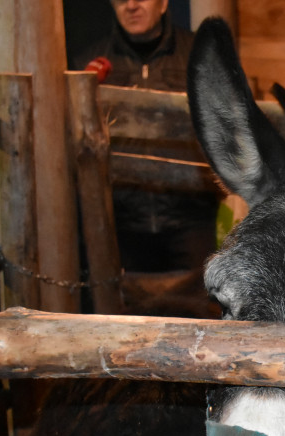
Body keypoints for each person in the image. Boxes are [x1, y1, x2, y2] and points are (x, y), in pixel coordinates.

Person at [72, 0, 218, 273]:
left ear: (163, 4)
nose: (131, 6)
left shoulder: (198, 55)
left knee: (197, 309)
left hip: (190, 217)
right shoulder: (87, 65)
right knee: (125, 312)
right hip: (122, 222)